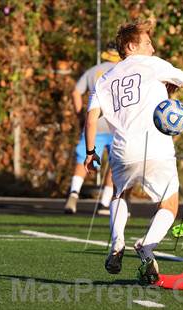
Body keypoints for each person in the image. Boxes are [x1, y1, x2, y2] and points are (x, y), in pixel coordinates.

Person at [83, 20, 183, 277]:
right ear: (131, 46)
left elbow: (91, 118)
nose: (153, 48)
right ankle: (147, 247)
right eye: (148, 43)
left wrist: (90, 153)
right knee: (169, 205)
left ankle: (117, 242)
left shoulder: (105, 80)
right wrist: (174, 84)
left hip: (122, 149)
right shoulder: (154, 65)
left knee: (119, 194)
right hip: (157, 146)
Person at [64, 43, 121, 215]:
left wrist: (80, 114)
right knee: (115, 164)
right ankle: (104, 203)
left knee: (85, 159)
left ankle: (74, 194)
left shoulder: (93, 70)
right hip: (116, 125)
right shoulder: (123, 70)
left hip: (94, 123)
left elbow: (76, 92)